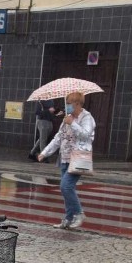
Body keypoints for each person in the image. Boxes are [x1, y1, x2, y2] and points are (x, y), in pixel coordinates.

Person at [38, 91, 96, 229]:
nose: (67, 106)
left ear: (77, 104)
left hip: (78, 158)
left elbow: (87, 136)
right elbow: (58, 138)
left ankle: (79, 213)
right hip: (64, 158)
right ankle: (68, 219)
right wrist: (45, 152)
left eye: (69, 103)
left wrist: (73, 124)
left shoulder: (87, 118)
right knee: (66, 189)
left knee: (66, 187)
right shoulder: (67, 118)